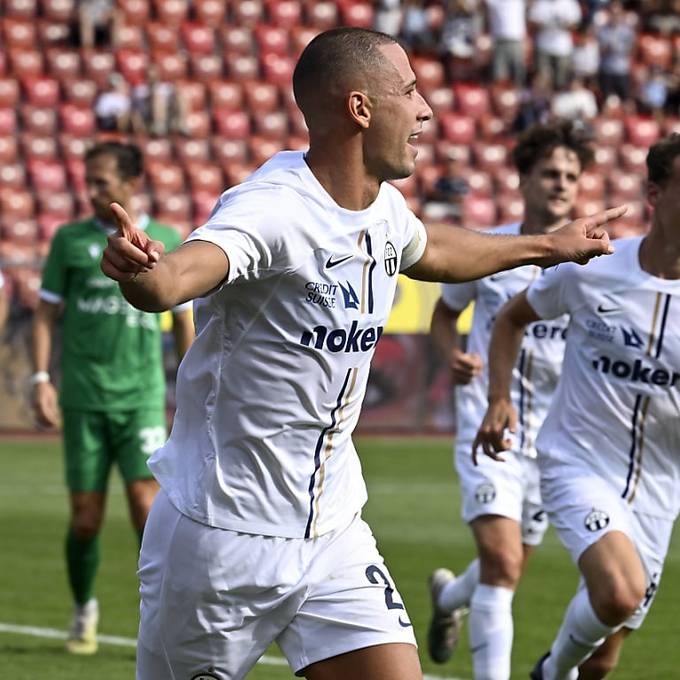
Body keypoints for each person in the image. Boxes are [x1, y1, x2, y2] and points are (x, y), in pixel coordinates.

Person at [100, 28, 624, 680]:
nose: (426, 109)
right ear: (360, 109)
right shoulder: (274, 209)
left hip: (334, 532)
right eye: (408, 91)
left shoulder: (384, 210)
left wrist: (551, 246)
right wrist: (144, 275)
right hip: (221, 541)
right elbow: (180, 276)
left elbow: (434, 251)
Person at [474, 133, 680, 679]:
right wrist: (499, 397)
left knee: (605, 657)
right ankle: (550, 672)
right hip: (579, 460)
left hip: (662, 483)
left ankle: (562, 669)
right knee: (617, 592)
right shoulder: (595, 268)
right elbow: (512, 318)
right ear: (656, 196)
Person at [426, 121, 593, 680]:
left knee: (511, 564)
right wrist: (452, 354)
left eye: (571, 175)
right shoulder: (489, 249)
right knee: (501, 563)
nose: (561, 184)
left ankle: (449, 599)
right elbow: (445, 314)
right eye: (549, 172)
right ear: (522, 179)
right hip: (488, 423)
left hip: (555, 440)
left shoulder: (590, 265)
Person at [30, 141, 194, 655]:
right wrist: (41, 378)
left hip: (141, 399)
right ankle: (84, 610)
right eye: (88, 179)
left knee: (148, 512)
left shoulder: (165, 239)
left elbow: (182, 318)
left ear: (131, 184)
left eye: (102, 180)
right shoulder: (69, 241)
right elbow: (45, 314)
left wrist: (191, 386)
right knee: (85, 518)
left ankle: (162, 620)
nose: (91, 189)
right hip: (82, 399)